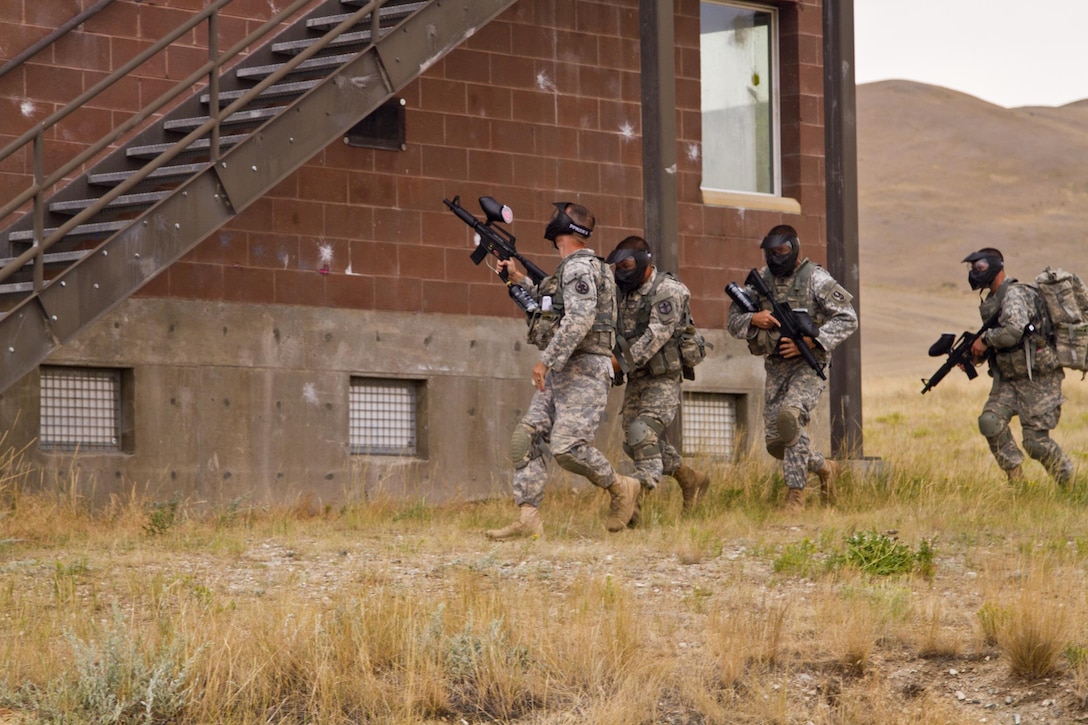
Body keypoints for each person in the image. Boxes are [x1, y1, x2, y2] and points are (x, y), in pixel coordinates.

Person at [485, 202, 641, 539]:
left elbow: (580, 320)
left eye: (559, 213)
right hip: (565, 368)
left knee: (567, 448)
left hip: (584, 369)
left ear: (568, 227)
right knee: (525, 438)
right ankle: (528, 519)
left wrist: (546, 360)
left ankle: (621, 487)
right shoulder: (571, 268)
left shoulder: (580, 268)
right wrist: (519, 279)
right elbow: (552, 305)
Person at [726, 224, 857, 510]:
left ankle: (795, 496)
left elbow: (848, 318)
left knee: (790, 419)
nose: (776, 257)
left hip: (809, 366)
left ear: (794, 248)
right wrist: (753, 319)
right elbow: (732, 321)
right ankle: (824, 468)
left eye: (782, 251)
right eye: (771, 252)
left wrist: (811, 342)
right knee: (777, 443)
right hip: (775, 367)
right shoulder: (760, 280)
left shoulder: (816, 279)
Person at [607, 236, 711, 521]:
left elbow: (656, 336)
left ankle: (634, 500)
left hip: (664, 377)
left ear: (644, 261)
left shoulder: (668, 290)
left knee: (642, 433)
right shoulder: (620, 291)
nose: (621, 271)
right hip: (637, 376)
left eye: (627, 265)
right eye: (618, 266)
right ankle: (691, 479)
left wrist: (618, 363)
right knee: (633, 441)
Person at [963, 248, 1074, 485]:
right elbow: (1005, 341)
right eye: (973, 268)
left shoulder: (1013, 295)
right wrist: (977, 355)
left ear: (996, 267)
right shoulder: (993, 300)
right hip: (1009, 379)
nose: (975, 272)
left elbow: (1014, 330)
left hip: (1038, 378)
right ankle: (1017, 482)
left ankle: (1069, 484)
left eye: (980, 267)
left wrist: (986, 340)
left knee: (1035, 442)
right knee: (990, 421)